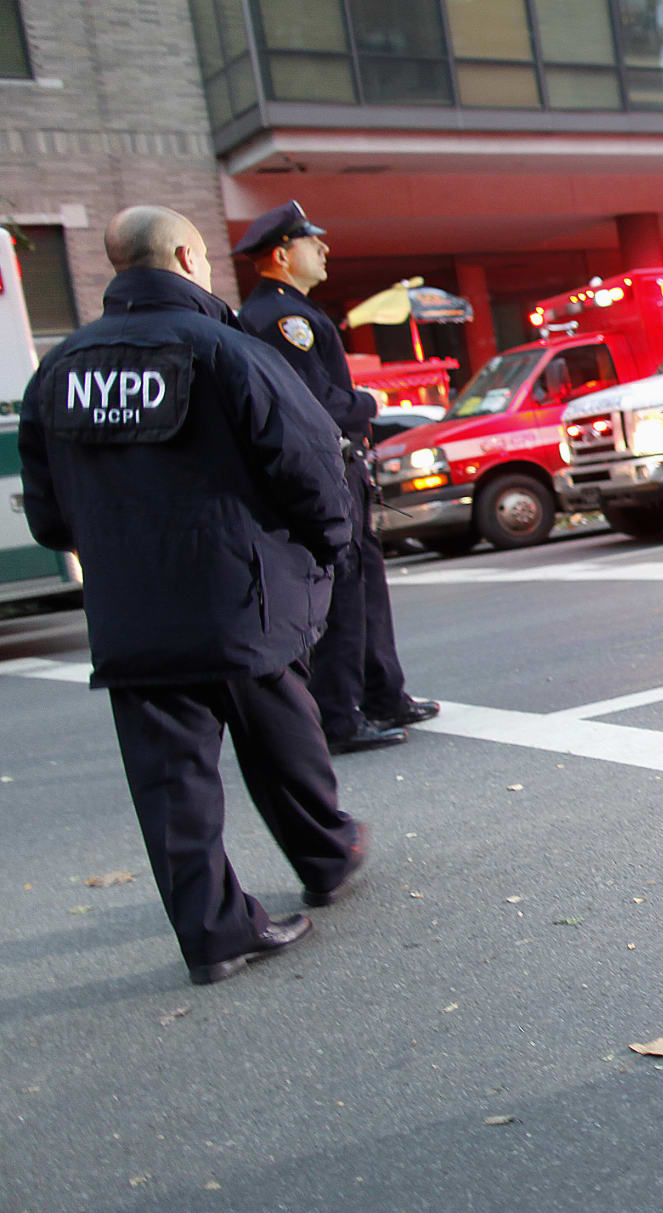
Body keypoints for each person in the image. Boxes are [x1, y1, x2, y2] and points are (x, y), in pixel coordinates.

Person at [17, 206, 370, 985]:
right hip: (239, 598)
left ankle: (213, 935)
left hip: (130, 615)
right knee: (284, 737)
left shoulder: (59, 371)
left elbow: (47, 513)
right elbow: (308, 458)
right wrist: (330, 544)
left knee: (171, 782)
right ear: (184, 254)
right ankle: (327, 852)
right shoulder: (225, 348)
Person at [235, 201, 437, 754]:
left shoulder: (289, 311)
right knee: (344, 592)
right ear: (282, 254)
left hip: (340, 466)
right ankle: (340, 716)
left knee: (366, 582)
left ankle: (383, 694)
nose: (324, 249)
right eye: (311, 242)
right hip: (323, 469)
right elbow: (312, 402)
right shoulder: (282, 319)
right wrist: (370, 401)